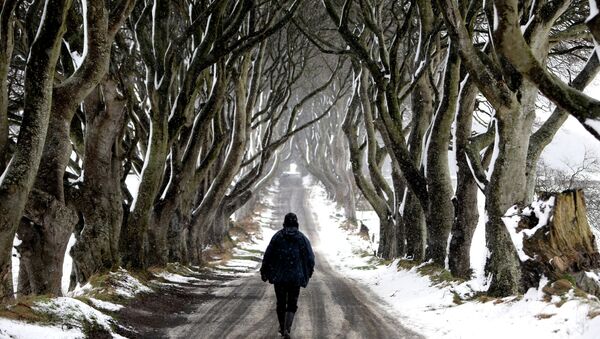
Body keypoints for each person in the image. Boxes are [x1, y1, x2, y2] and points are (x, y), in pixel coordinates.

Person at [260, 212, 315, 338]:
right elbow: (310, 257)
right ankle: (287, 328)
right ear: (297, 224)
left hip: (279, 277)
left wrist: (264, 270)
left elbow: (268, 255)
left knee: (280, 303)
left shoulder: (277, 237)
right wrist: (309, 271)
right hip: (296, 277)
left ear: (284, 223)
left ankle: (282, 326)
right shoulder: (302, 239)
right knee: (292, 303)